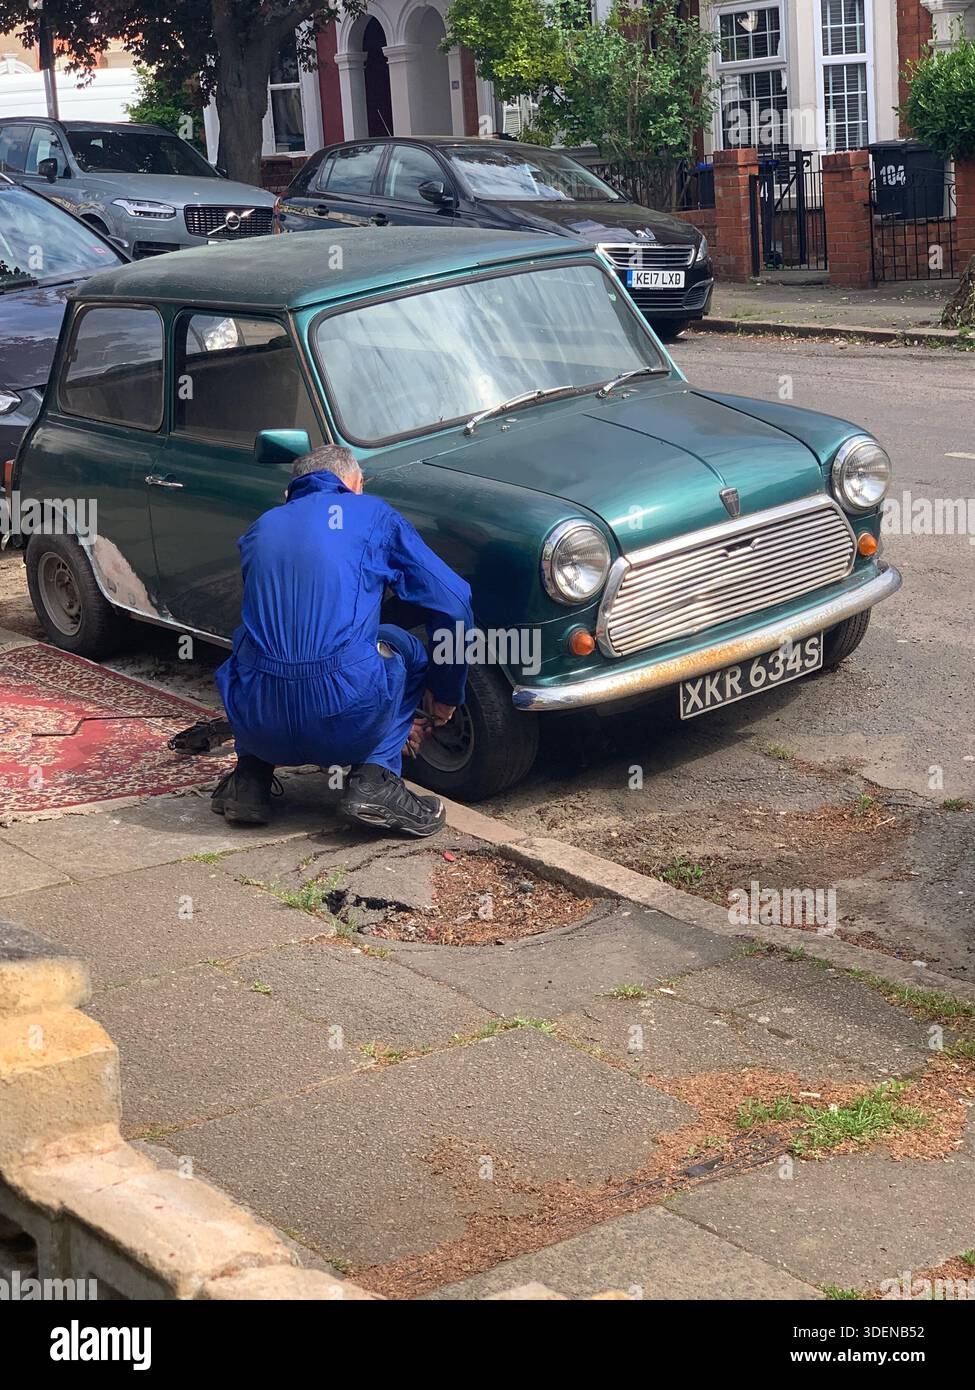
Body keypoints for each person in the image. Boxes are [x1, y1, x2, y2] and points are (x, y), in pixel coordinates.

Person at [210, 445, 473, 837]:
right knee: (405, 646)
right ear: (356, 484)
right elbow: (454, 601)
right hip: (345, 716)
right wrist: (449, 691)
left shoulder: (261, 527)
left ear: (290, 492)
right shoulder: (373, 514)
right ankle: (375, 780)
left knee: (252, 642)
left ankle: (250, 781)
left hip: (260, 723)